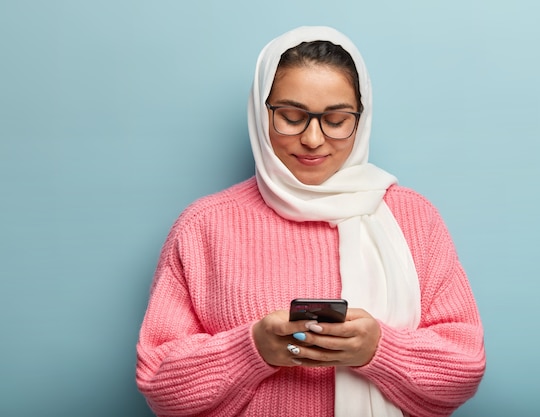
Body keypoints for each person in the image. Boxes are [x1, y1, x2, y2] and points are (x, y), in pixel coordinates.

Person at [136, 26, 486, 417]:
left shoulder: (413, 219)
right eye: (291, 116)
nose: (314, 139)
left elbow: (465, 369)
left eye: (336, 120)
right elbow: (159, 386)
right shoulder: (204, 227)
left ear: (361, 117)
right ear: (259, 113)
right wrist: (252, 350)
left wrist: (380, 350)